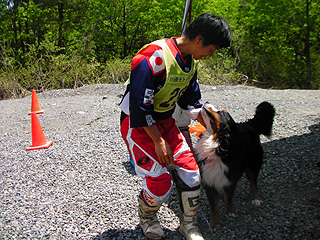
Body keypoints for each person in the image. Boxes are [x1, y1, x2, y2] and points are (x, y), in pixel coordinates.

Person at [119, 13, 232, 240]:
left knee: (192, 175)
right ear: (199, 39)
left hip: (165, 122)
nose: (211, 54)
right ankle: (148, 218)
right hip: (138, 126)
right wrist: (158, 142)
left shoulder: (189, 63)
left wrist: (215, 127)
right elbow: (139, 106)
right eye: (212, 49)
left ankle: (188, 225)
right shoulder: (153, 56)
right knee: (160, 182)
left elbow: (191, 103)